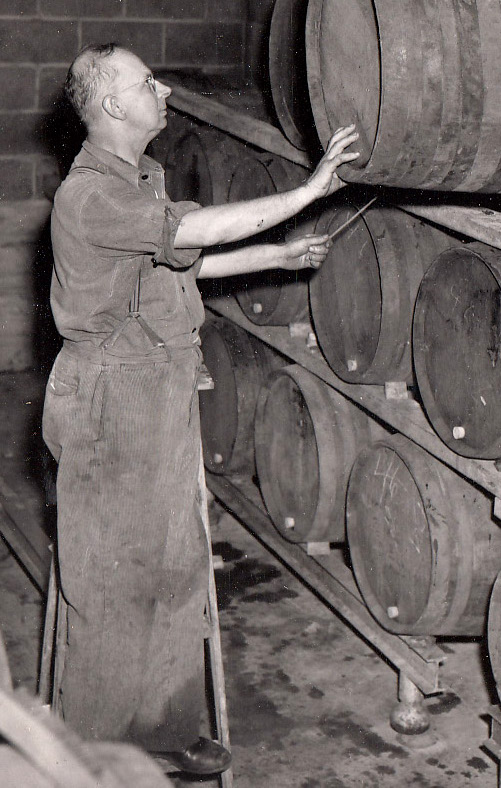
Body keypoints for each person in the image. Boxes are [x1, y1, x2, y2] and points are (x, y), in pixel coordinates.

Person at [42, 43, 359, 777]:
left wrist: (277, 257)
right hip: (110, 399)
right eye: (145, 82)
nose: (164, 90)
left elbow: (183, 260)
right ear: (113, 105)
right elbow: (195, 232)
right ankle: (97, 756)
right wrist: (310, 191)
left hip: (158, 387)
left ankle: (161, 726)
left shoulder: (138, 179)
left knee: (177, 567)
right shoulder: (88, 196)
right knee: (112, 578)